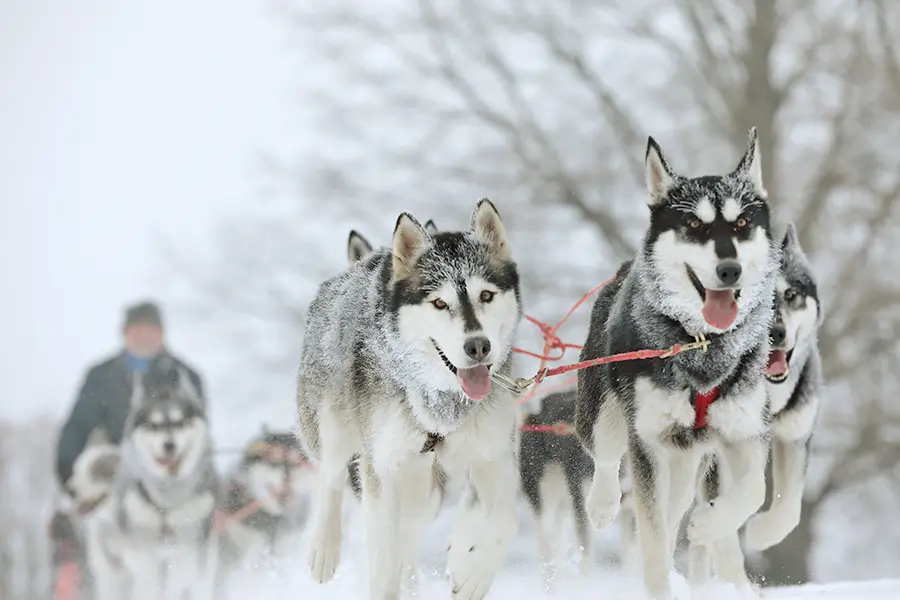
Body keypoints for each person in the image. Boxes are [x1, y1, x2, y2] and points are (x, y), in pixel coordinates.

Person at [49, 300, 206, 598]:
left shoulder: (185, 376)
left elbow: (198, 435)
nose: (145, 337)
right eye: (138, 331)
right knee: (99, 544)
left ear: (162, 334)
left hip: (171, 480)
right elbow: (78, 425)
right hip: (116, 473)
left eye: (152, 331)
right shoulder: (102, 375)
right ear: (125, 334)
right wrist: (68, 468)